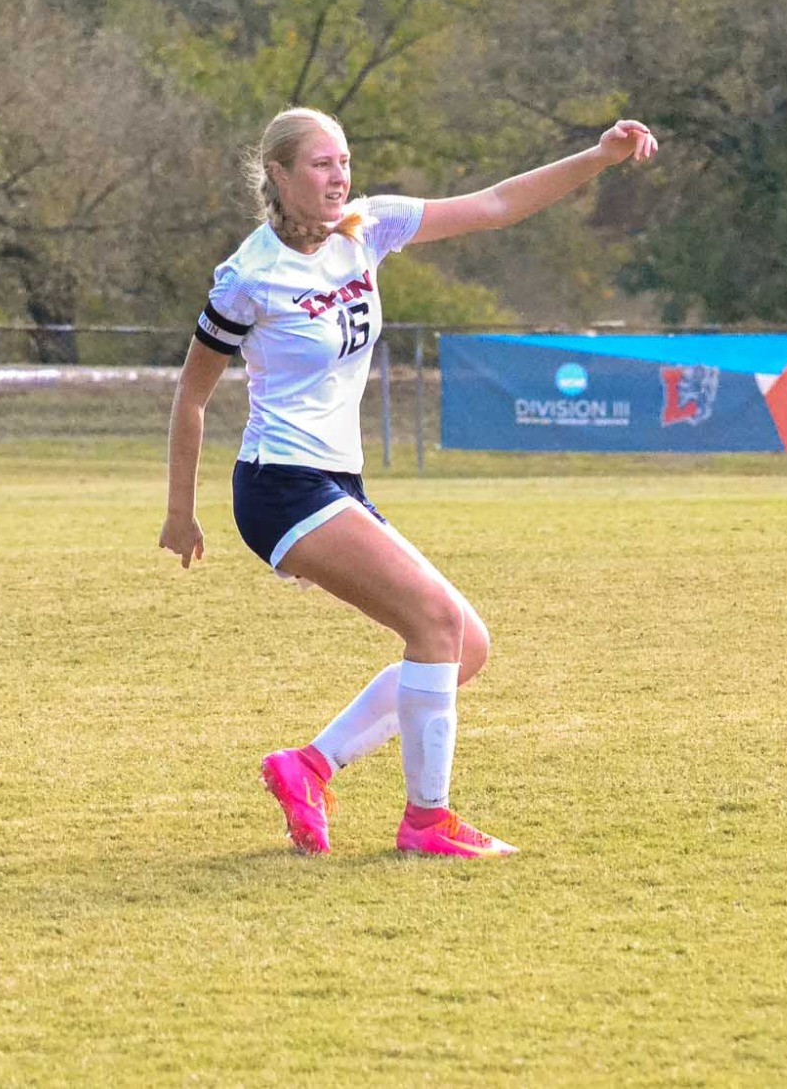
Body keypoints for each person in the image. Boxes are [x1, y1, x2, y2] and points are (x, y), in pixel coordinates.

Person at [159, 105, 657, 858]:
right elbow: (192, 396)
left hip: (336, 482)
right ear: (280, 175)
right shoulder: (249, 276)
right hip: (279, 486)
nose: (339, 177)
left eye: (344, 161)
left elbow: (495, 205)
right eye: (321, 164)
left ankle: (309, 766)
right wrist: (180, 512)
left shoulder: (369, 227)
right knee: (436, 623)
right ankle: (428, 821)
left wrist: (597, 157)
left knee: (466, 647)